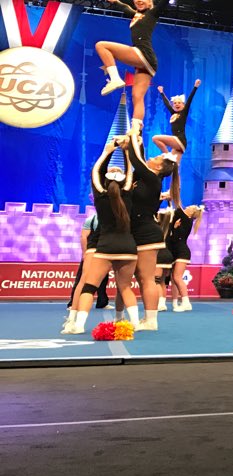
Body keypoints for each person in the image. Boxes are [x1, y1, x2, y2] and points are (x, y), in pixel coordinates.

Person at [64, 139, 140, 334]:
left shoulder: (100, 197)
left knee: (90, 286)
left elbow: (94, 173)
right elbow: (130, 173)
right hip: (128, 248)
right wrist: (126, 152)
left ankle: (79, 325)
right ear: (123, 182)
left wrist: (107, 152)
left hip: (106, 247)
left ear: (105, 182)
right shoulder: (128, 195)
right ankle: (136, 324)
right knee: (125, 287)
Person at [125, 129, 179, 331]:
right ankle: (142, 318)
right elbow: (136, 163)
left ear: (158, 167)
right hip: (137, 230)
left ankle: (151, 320)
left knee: (147, 278)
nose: (151, 157)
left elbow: (136, 160)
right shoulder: (145, 177)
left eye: (155, 157)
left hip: (147, 233)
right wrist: (137, 140)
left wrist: (132, 137)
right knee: (139, 277)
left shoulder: (153, 179)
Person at [95, 0, 171, 130]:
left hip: (143, 54)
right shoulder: (136, 15)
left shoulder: (152, 13)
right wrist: (115, 1)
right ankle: (136, 131)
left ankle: (115, 79)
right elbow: (124, 7)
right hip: (148, 63)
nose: (139, 2)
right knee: (137, 96)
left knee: (101, 45)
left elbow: (164, 3)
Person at [66, 210, 111, 324]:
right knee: (83, 278)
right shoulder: (91, 220)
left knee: (103, 280)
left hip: (105, 251)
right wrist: (85, 253)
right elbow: (83, 236)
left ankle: (102, 302)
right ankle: (72, 305)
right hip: (92, 251)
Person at [167, 205, 201, 312]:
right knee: (173, 279)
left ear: (191, 213)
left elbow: (178, 208)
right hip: (175, 251)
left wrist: (173, 193)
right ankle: (175, 303)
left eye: (190, 207)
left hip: (182, 252)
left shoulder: (187, 219)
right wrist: (174, 227)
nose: (187, 207)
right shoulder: (183, 220)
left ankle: (186, 302)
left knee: (177, 277)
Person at [154, 79, 201, 155]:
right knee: (174, 165)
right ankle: (170, 158)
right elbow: (167, 104)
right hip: (178, 143)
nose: (177, 104)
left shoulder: (183, 113)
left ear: (183, 105)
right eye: (175, 103)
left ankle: (167, 155)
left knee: (155, 138)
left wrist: (195, 87)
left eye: (179, 103)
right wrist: (161, 93)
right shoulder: (173, 113)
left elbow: (189, 100)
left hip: (179, 140)